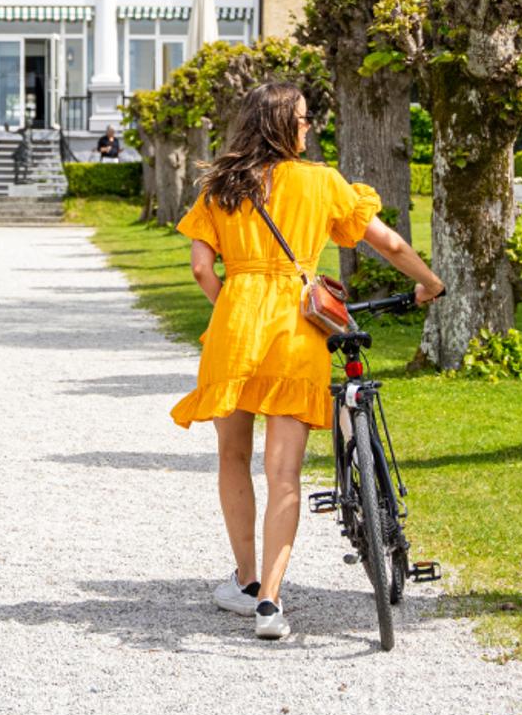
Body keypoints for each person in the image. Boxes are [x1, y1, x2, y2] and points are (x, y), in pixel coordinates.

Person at [170, 81, 443, 641]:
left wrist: (233, 310)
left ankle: (244, 581)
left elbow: (201, 268)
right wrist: (429, 282)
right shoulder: (321, 181)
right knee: (284, 472)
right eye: (302, 119)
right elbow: (387, 242)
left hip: (234, 330)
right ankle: (270, 602)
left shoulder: (220, 186)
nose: (307, 126)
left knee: (233, 457)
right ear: (282, 126)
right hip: (296, 329)